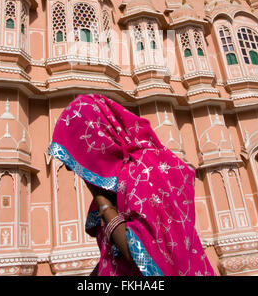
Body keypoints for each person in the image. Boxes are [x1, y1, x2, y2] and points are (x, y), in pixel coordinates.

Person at [48, 94, 215, 276]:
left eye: (73, 152)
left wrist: (100, 198)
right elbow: (112, 256)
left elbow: (137, 252)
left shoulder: (144, 172)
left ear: (93, 141)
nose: (68, 167)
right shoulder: (117, 182)